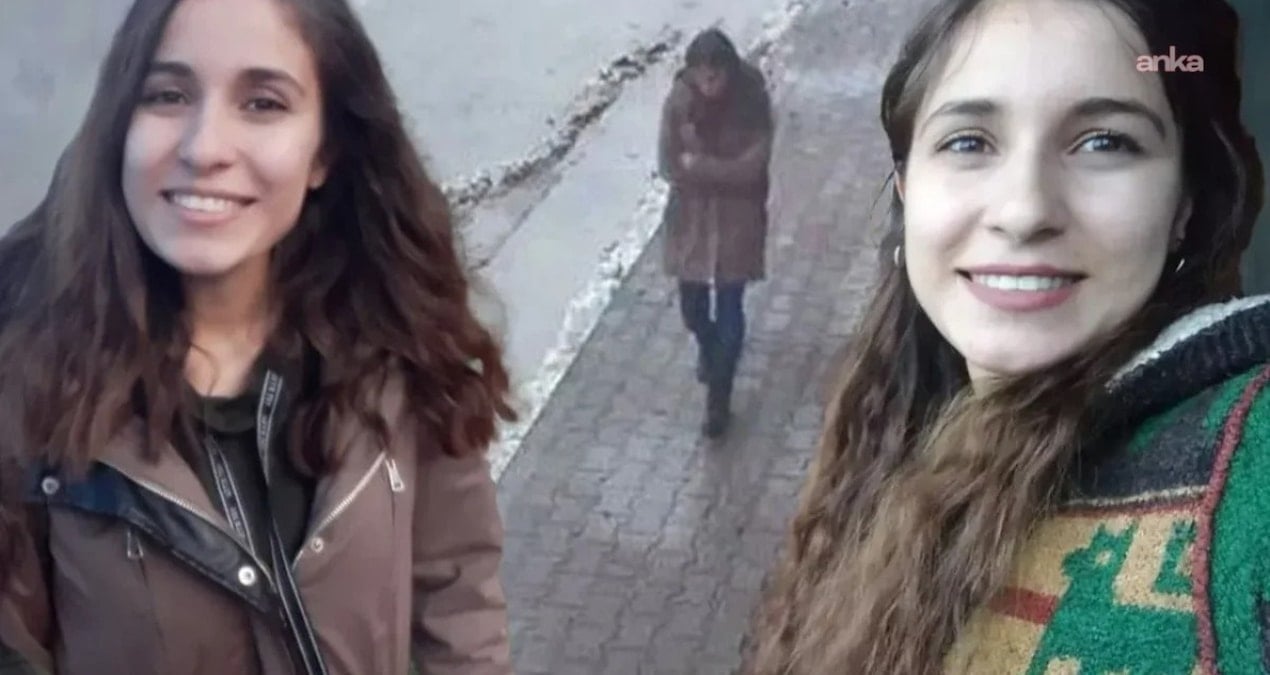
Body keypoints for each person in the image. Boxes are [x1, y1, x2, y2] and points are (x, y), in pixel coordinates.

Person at [749, 0, 1266, 673]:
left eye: (1104, 142)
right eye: (969, 142)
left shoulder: (1248, 459)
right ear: (907, 188)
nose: (1024, 211)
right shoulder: (894, 422)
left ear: (1183, 206)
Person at [0, 0, 517, 672]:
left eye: (263, 103)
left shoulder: (401, 345)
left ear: (324, 151)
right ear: (120, 122)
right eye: (167, 95)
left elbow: (459, 607)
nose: (204, 148)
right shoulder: (27, 382)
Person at [658, 28, 774, 438]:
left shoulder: (751, 101)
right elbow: (669, 164)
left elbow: (753, 168)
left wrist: (702, 167)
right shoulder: (679, 103)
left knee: (730, 308)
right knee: (692, 310)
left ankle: (719, 398)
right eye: (701, 75)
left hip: (737, 223)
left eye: (715, 75)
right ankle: (709, 349)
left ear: (729, 71)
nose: (708, 84)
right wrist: (715, 170)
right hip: (690, 222)